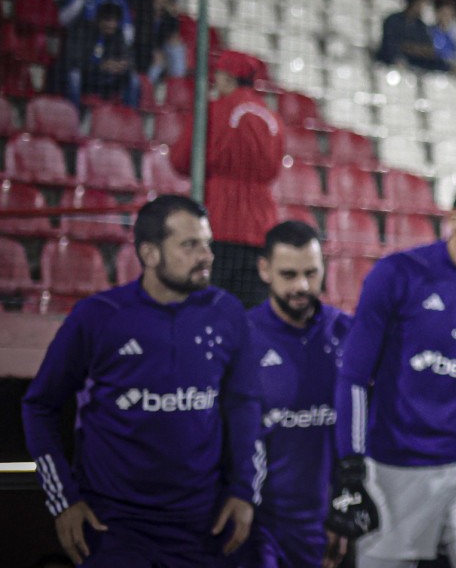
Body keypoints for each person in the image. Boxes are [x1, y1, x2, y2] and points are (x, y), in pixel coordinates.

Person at [22, 195, 262, 565]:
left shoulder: (226, 312)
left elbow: (245, 405)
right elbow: (39, 406)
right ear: (150, 254)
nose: (207, 255)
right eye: (190, 245)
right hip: (113, 527)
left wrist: (244, 491)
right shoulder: (99, 317)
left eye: (207, 243)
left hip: (201, 527)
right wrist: (64, 500)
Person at [328, 171, 456, 568]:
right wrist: (350, 469)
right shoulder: (397, 275)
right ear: (455, 218)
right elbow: (354, 377)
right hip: (394, 467)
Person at [232, 221, 351, 568]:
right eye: (289, 274)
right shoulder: (242, 337)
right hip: (257, 522)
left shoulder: (346, 333)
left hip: (323, 522)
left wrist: (341, 511)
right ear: (264, 270)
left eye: (311, 274)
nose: (301, 286)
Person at [170, 50, 285, 308]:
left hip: (219, 218)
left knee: (212, 304)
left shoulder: (212, 110)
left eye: (219, 75)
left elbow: (181, 159)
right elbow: (275, 168)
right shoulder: (272, 116)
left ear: (228, 77)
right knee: (251, 309)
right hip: (261, 225)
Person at [61, 1, 139, 110]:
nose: (111, 24)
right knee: (74, 76)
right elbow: (74, 60)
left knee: (134, 79)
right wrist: (100, 66)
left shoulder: (118, 34)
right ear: (98, 19)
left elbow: (129, 57)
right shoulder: (83, 30)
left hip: (107, 82)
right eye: (107, 20)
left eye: (114, 21)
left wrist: (122, 65)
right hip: (87, 79)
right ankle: (73, 117)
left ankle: (128, 119)